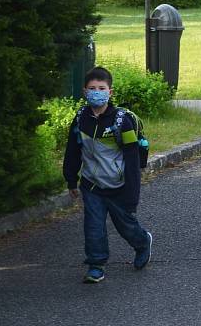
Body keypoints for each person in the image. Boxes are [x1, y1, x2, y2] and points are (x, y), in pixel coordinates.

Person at [63, 66, 152, 283]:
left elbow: (131, 159)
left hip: (118, 186)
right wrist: (71, 178)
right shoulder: (80, 119)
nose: (96, 92)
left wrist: (132, 194)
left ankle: (142, 243)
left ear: (110, 92)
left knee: (126, 225)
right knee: (93, 226)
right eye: (92, 88)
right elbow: (73, 150)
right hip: (92, 185)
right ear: (84, 92)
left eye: (101, 88)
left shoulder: (122, 121)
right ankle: (96, 264)